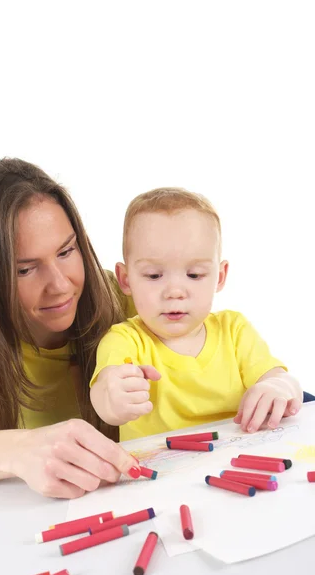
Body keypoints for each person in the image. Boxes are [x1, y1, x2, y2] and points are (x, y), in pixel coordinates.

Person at [0, 158, 139, 498]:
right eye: (25, 270)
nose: (60, 285)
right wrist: (22, 450)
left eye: (66, 251)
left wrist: (253, 382)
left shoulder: (129, 298)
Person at [90, 187, 302, 441]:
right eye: (154, 276)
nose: (175, 291)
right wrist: (112, 399)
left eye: (194, 275)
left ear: (220, 277)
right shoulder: (125, 340)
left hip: (237, 461)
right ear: (126, 279)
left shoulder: (234, 330)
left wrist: (278, 387)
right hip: (164, 473)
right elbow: (104, 395)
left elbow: (283, 381)